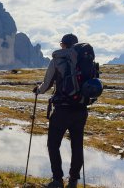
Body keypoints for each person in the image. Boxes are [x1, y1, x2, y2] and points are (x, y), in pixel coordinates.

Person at [33, 33, 88, 188]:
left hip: (62, 110)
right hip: (81, 110)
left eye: (62, 44)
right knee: (77, 145)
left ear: (63, 45)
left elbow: (47, 84)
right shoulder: (85, 60)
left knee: (53, 144)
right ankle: (73, 180)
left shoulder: (57, 59)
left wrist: (38, 90)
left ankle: (57, 180)